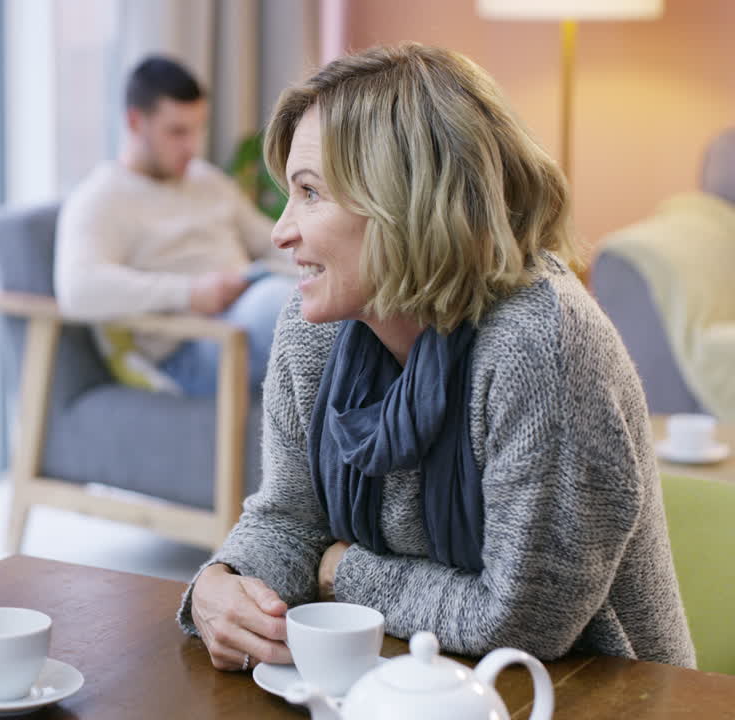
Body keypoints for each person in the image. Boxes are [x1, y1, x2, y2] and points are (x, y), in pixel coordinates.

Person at [178, 43, 696, 672]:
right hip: (399, 680)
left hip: (590, 694)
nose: (281, 231)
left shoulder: (542, 347)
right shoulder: (315, 325)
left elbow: (520, 623)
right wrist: (224, 581)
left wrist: (343, 570)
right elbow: (289, 516)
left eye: (310, 193)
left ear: (405, 202)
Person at [54, 55, 296, 397]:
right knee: (290, 306)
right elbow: (78, 289)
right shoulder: (101, 198)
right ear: (136, 122)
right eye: (177, 132)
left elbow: (272, 241)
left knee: (334, 298)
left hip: (249, 310)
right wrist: (190, 293)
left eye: (199, 129)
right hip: (194, 348)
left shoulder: (206, 180)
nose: (193, 146)